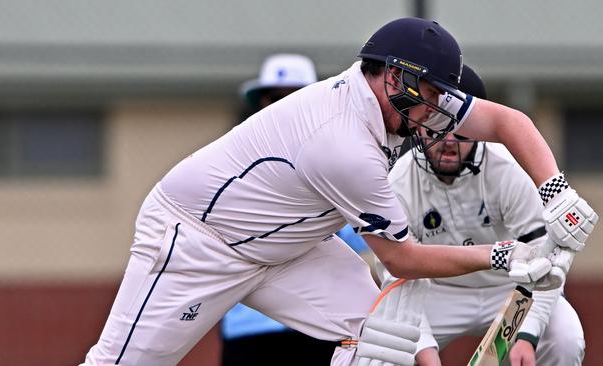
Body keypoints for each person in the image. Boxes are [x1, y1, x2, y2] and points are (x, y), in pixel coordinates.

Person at [80, 17, 597, 366]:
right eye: (435, 93)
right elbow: (404, 260)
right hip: (197, 241)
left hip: (289, 247)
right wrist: (503, 255)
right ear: (400, 78)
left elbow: (508, 122)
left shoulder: (393, 97)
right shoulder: (345, 145)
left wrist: (555, 191)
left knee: (390, 341)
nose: (442, 111)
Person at [375, 65, 585, 366]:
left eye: (458, 130)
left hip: (512, 287)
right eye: (436, 129)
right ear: (418, 126)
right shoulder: (400, 181)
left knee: (565, 338)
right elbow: (397, 278)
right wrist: (426, 356)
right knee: (382, 348)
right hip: (437, 292)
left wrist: (526, 335)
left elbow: (546, 262)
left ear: (478, 126)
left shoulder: (510, 169)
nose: (448, 142)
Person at [221, 53, 357, 366]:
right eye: (274, 98)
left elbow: (362, 238)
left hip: (317, 322)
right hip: (249, 325)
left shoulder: (340, 164)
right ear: (260, 105)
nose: (283, 106)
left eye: (295, 96)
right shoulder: (230, 162)